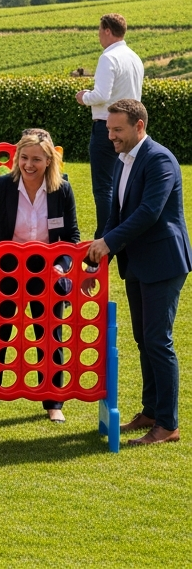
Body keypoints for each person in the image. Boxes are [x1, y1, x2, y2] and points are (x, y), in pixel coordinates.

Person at [88, 99, 191, 446]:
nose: (111, 136)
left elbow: (149, 212)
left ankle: (168, 424)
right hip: (138, 264)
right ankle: (150, 411)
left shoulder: (159, 159)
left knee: (158, 341)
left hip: (163, 263)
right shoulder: (123, 160)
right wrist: (96, 257)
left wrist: (109, 243)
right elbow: (116, 215)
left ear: (139, 127)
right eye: (108, 130)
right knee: (143, 340)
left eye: (117, 130)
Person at [0, 128, 79, 423]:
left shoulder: (62, 189)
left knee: (50, 336)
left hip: (46, 271)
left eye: (37, 159)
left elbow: (71, 236)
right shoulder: (3, 185)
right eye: (24, 158)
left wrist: (63, 263)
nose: (29, 165)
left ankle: (54, 403)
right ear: (17, 158)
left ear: (49, 161)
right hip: (6, 269)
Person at [75, 13, 144, 233]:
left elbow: (102, 95)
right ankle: (126, 230)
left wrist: (84, 97)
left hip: (107, 126)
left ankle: (104, 235)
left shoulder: (108, 57)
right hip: (132, 129)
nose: (98, 36)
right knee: (127, 184)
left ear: (106, 30)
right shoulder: (135, 57)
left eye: (99, 31)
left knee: (104, 186)